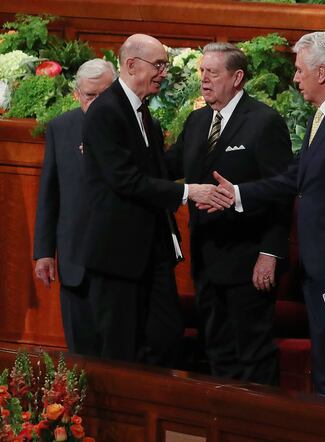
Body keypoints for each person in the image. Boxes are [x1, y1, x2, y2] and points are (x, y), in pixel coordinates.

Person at [203, 32, 325, 397]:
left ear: (321, 73)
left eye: (299, 71)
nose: (295, 79)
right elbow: (296, 177)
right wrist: (240, 193)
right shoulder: (323, 115)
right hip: (317, 262)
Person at [81, 33, 218, 366]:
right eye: (158, 65)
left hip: (151, 253)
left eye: (165, 65)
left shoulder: (145, 116)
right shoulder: (105, 113)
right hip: (118, 257)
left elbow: (160, 169)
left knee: (165, 339)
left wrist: (204, 141)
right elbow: (125, 180)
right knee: (122, 353)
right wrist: (189, 192)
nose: (163, 72)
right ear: (131, 65)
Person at [163, 42, 291, 384]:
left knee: (253, 353)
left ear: (237, 77)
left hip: (249, 261)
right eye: (202, 72)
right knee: (217, 350)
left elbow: (282, 192)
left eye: (213, 73)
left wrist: (270, 253)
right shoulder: (197, 120)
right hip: (206, 260)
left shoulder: (264, 121)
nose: (204, 79)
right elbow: (165, 166)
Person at [33, 58, 117, 356]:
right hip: (73, 262)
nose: (95, 103)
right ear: (76, 94)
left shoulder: (133, 126)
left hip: (118, 263)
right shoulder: (61, 127)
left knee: (118, 356)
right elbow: (50, 191)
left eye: (103, 96)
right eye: (89, 96)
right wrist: (44, 251)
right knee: (80, 354)